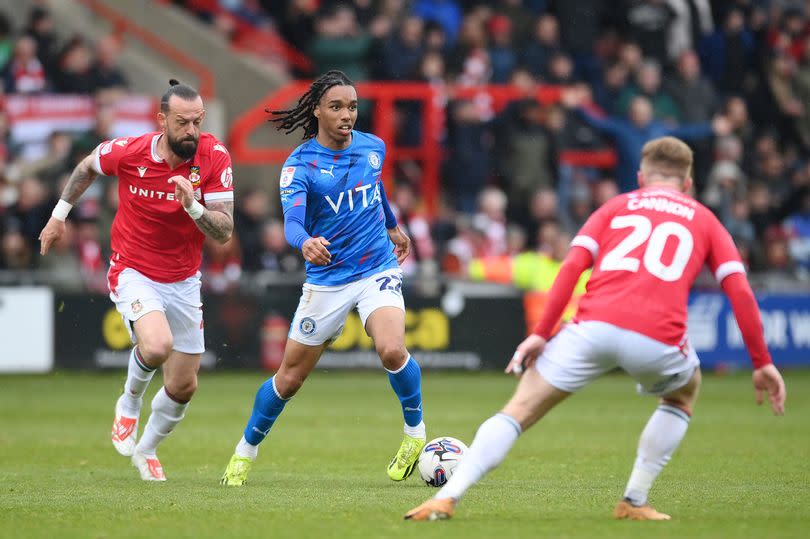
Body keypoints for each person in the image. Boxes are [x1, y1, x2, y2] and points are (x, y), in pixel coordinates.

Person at [404, 136, 786, 521]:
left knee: (518, 409)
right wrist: (761, 361)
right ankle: (634, 500)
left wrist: (542, 331)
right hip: (658, 337)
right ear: (687, 183)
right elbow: (739, 290)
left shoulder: (616, 207)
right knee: (682, 394)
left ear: (640, 177)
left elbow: (571, 267)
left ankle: (446, 497)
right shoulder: (704, 218)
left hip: (592, 326)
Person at [220, 70, 426, 486]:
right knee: (289, 379)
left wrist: (391, 225)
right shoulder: (299, 166)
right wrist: (305, 242)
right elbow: (292, 223)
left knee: (391, 349)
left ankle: (415, 435)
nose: (346, 114)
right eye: (336, 107)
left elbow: (376, 187)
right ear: (316, 111)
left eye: (351, 106)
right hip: (328, 279)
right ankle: (245, 451)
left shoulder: (373, 146)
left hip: (376, 267)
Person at [38, 79, 235, 481]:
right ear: (162, 120)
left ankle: (146, 450)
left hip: (183, 279)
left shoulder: (214, 156)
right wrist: (59, 217)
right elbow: (85, 167)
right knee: (157, 345)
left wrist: (193, 207)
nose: (191, 132)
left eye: (197, 122)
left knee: (184, 386)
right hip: (134, 270)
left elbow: (224, 231)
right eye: (183, 123)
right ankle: (128, 402)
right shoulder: (129, 151)